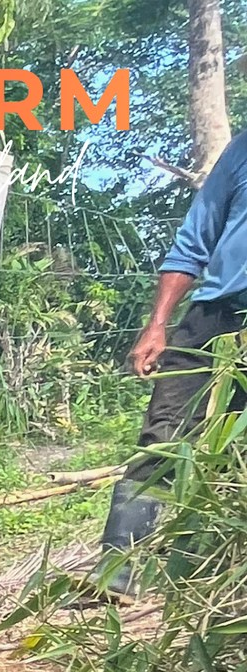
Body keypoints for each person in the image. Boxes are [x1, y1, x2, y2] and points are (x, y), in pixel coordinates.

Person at [104, 132, 247, 550]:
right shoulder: (240, 152)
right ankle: (120, 566)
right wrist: (157, 325)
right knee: (165, 435)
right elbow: (192, 242)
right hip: (215, 318)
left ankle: (218, 559)